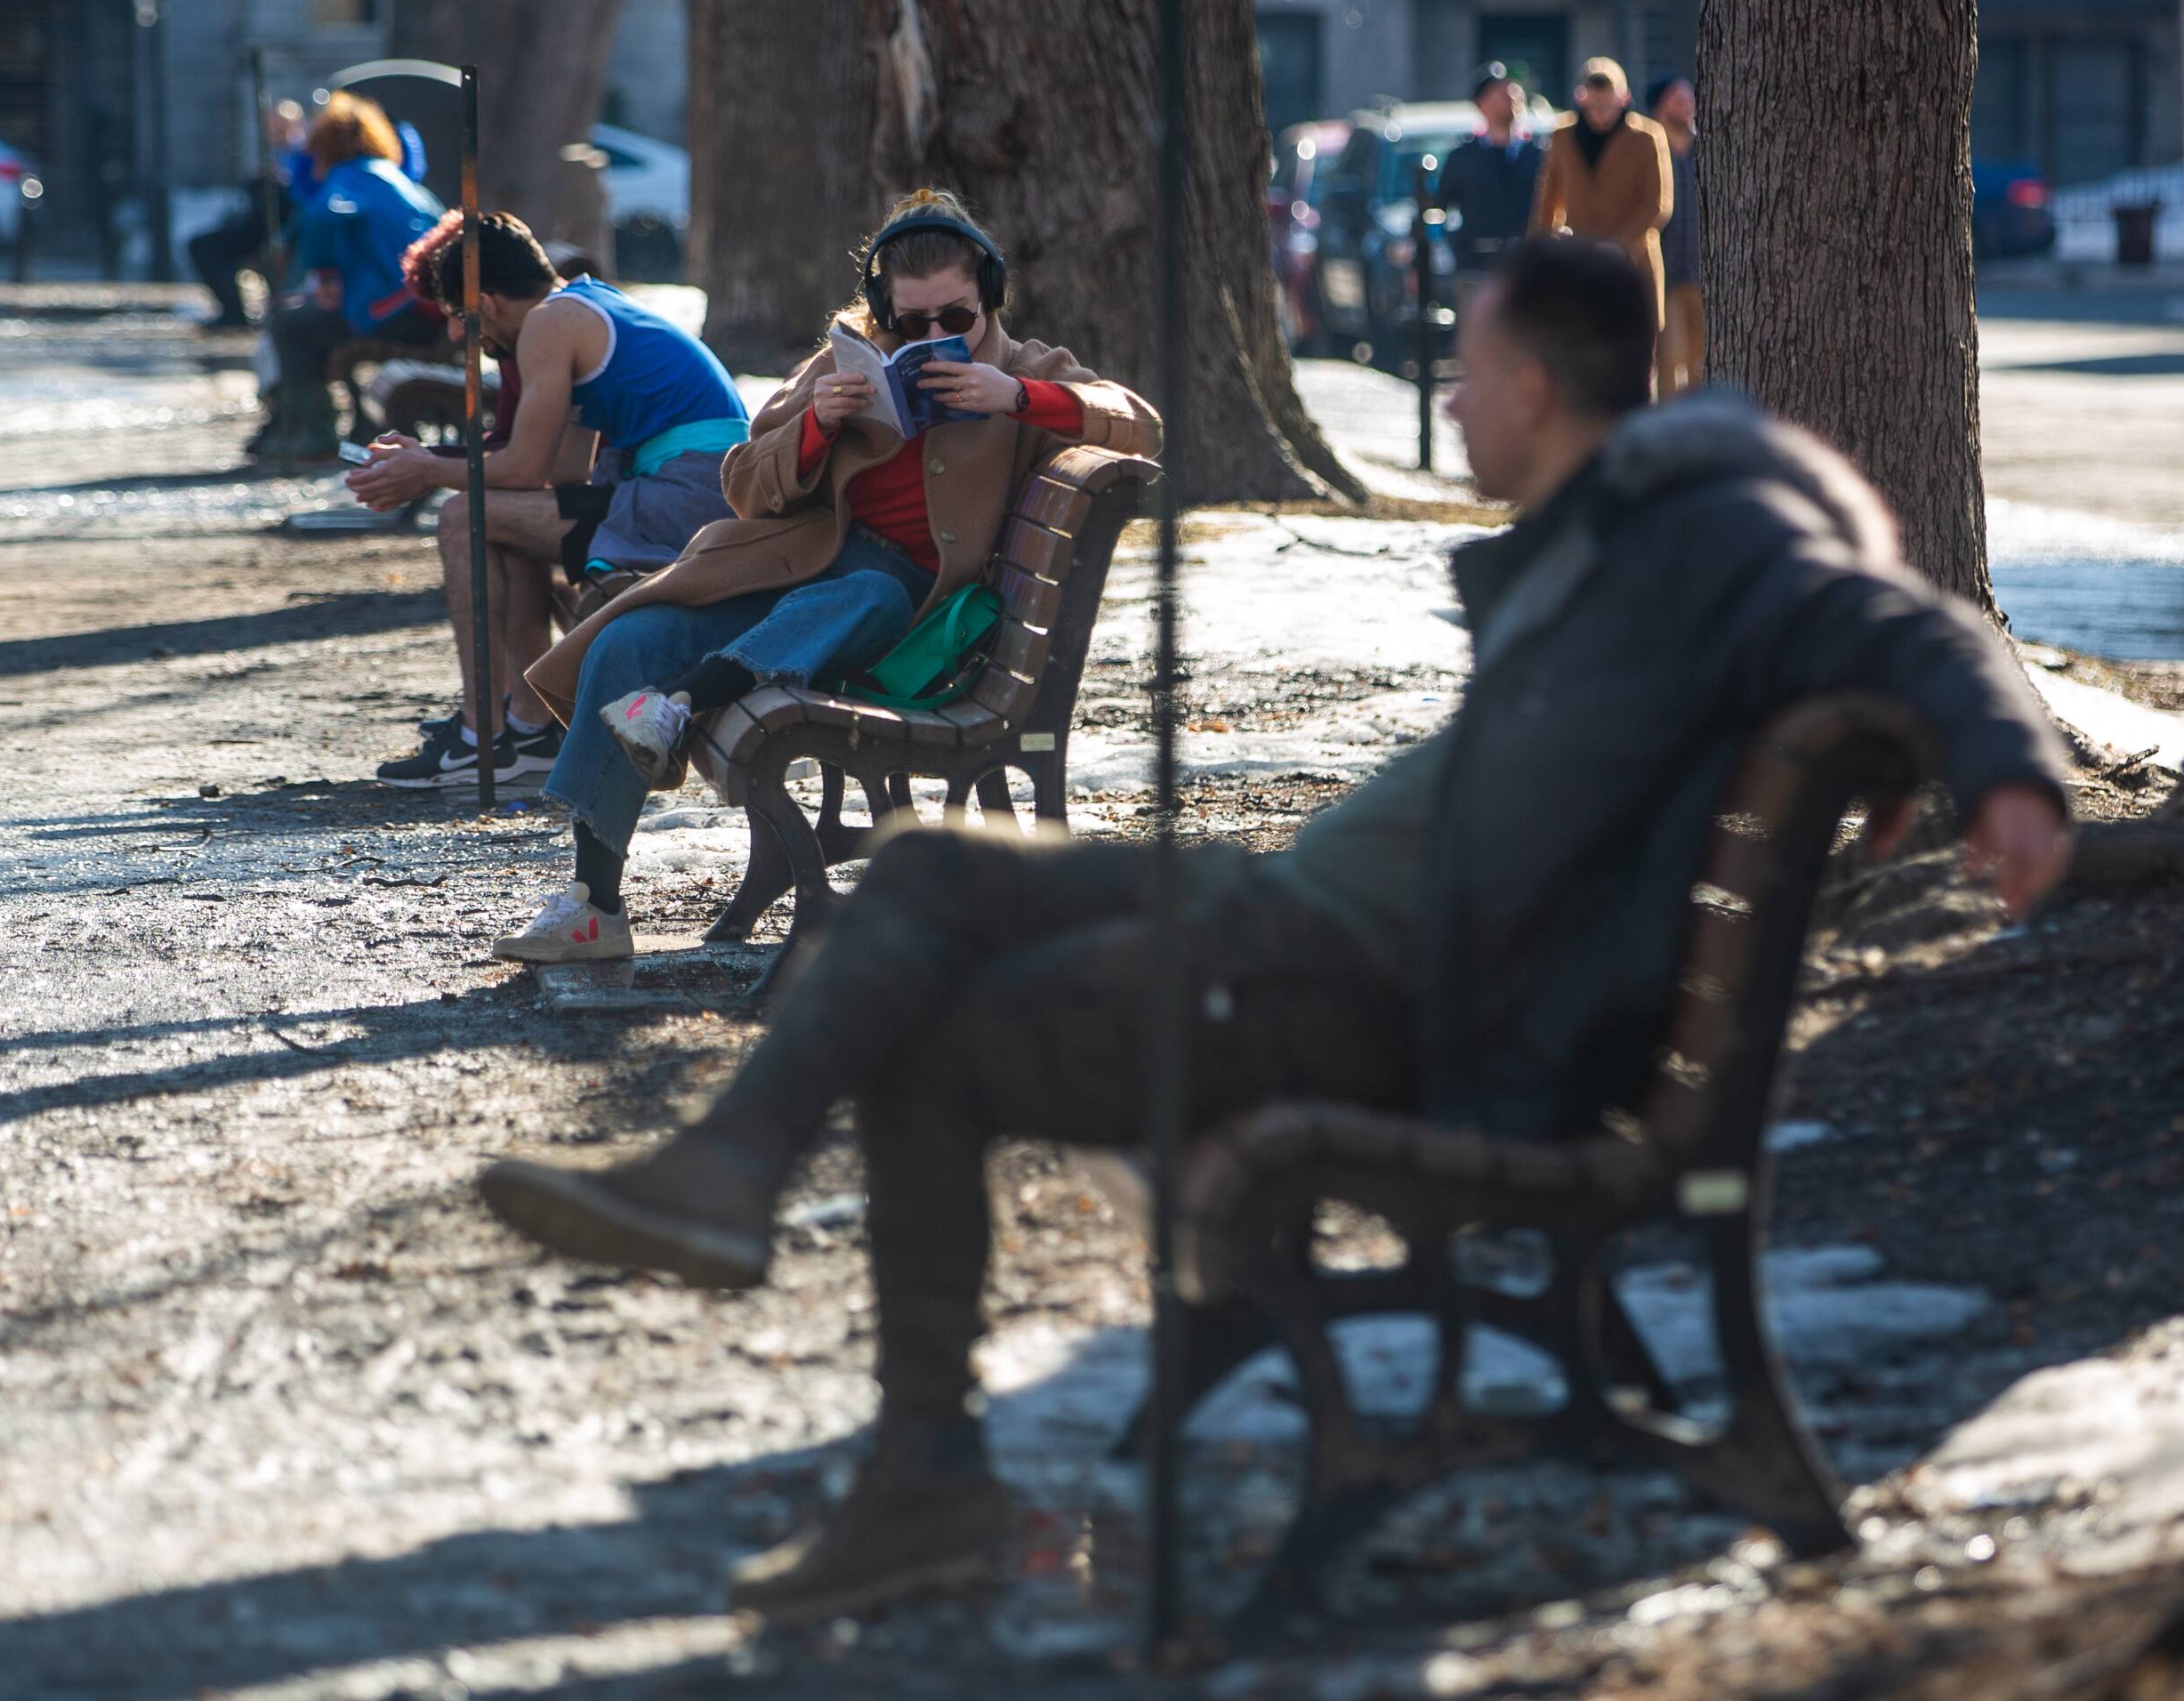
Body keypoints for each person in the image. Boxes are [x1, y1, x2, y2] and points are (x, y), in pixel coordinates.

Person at [474, 237, 2075, 1624]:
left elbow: (1902, 623)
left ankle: (914, 1473)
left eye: (1469, 369)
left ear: (1536, 385)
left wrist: (2007, 776)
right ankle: (734, 1182)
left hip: (1386, 987)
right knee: (924, 881)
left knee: (940, 1031)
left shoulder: (1700, 529)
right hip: (1335, 926)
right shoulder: (1634, 528)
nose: (1451, 400)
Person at [481, 189, 1160, 963]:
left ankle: (679, 705)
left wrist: (1018, 398)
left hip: (907, 612)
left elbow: (1138, 420)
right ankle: (593, 905)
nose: (936, 338)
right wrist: (816, 427)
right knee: (630, 638)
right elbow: (741, 483)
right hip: (788, 574)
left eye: (956, 319)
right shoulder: (844, 359)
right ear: (882, 312)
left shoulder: (1025, 369)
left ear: (990, 298)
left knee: (867, 591)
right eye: (911, 325)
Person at [350, 210, 751, 790]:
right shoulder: (582, 307)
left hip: (686, 497)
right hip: (690, 491)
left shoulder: (547, 324)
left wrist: (428, 470)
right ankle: (529, 726)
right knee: (496, 521)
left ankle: (478, 735)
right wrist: (433, 459)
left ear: (486, 303)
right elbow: (562, 468)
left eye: (460, 318)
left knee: (464, 517)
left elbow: (529, 467)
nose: (461, 337)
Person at [256, 92, 446, 459]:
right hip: (426, 308)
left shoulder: (348, 179)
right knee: (304, 320)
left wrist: (325, 272)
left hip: (395, 311)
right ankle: (340, 422)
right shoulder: (393, 176)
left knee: (290, 326)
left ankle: (316, 431)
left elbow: (326, 216)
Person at [1528, 58, 1672, 328]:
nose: (1602, 114)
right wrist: (1543, 251)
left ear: (1625, 97)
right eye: (1594, 106)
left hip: (1632, 264)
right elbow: (1547, 204)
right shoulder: (1562, 135)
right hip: (1579, 267)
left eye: (1609, 106)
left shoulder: (1647, 137)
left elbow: (1657, 205)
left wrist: (1617, 246)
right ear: (1580, 98)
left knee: (1632, 355)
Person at [190, 99, 302, 331]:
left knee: (207, 247)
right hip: (257, 227)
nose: (277, 133)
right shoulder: (271, 155)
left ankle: (235, 312)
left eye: (283, 127)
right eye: (273, 127)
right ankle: (232, 309)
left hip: (280, 231)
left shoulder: (301, 156)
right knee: (203, 246)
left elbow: (301, 201)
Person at [1435, 62, 1545, 281]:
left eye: (1514, 90)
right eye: (1502, 92)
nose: (1511, 97)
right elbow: (1439, 208)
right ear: (1482, 103)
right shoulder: (1463, 157)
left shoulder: (1539, 154)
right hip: (1476, 267)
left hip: (1527, 268)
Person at [1644, 75, 1704, 399]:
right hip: (1666, 275)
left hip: (1704, 274)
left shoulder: (1706, 148)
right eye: (1675, 97)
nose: (1685, 103)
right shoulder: (1647, 150)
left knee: (1703, 361)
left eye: (1688, 96)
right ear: (1659, 106)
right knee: (1671, 359)